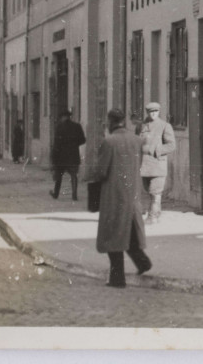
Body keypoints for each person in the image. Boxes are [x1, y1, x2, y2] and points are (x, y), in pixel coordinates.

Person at [82, 109, 152, 288]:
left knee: (113, 237)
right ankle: (142, 262)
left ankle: (117, 278)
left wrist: (91, 176)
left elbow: (102, 170)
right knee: (130, 232)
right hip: (133, 193)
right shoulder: (137, 141)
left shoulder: (109, 142)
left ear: (111, 122)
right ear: (123, 121)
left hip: (114, 195)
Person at [138, 102, 176, 224]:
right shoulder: (141, 126)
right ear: (147, 112)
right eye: (151, 112)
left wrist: (156, 150)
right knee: (148, 190)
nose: (153, 114)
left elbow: (171, 145)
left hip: (158, 164)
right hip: (144, 165)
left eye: (155, 112)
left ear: (159, 112)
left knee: (156, 192)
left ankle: (153, 217)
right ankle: (155, 214)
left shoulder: (165, 126)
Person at [50, 108, 86, 201]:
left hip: (61, 156)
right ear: (69, 117)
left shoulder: (59, 127)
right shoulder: (77, 126)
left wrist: (54, 157)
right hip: (73, 155)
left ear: (62, 117)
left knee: (59, 176)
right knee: (74, 175)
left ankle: (56, 194)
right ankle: (74, 195)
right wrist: (74, 144)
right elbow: (83, 140)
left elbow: (56, 143)